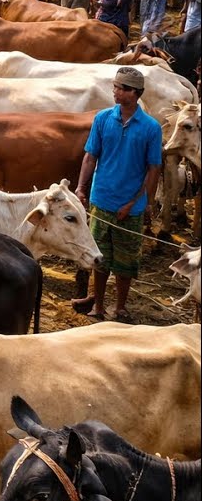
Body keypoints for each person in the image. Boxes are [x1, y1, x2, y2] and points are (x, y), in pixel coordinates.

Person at [71, 66, 162, 322]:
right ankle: (98, 305)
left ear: (135, 93)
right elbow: (90, 156)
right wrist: (81, 187)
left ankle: (120, 307)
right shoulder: (102, 119)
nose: (115, 92)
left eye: (122, 88)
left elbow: (153, 169)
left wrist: (140, 202)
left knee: (126, 261)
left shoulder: (151, 128)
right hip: (101, 200)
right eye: (115, 87)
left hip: (130, 207)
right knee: (100, 258)